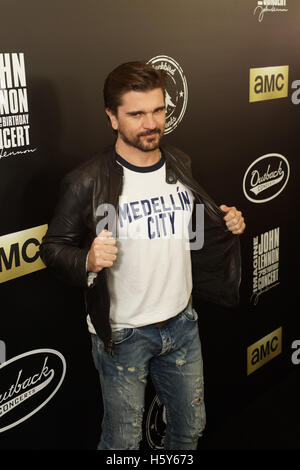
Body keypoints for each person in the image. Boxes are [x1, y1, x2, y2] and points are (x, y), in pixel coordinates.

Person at [40, 61, 245, 450]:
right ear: (112, 117)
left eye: (158, 110)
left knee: (189, 430)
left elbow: (192, 231)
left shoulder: (180, 163)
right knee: (122, 443)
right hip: (124, 334)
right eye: (136, 114)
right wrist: (87, 260)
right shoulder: (87, 179)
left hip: (182, 323)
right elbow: (52, 249)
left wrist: (225, 222)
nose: (151, 123)